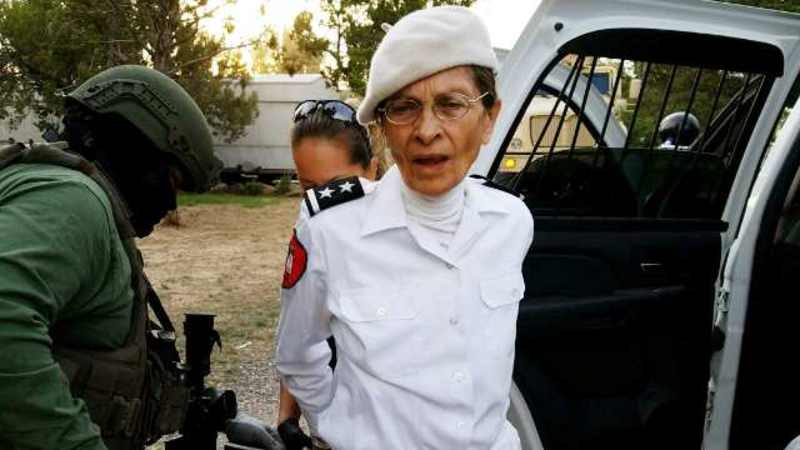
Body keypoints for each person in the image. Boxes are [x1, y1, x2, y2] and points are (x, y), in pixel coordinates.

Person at [275, 6, 534, 450]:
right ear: (381, 129)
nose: (427, 130)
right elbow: (297, 356)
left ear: (490, 118)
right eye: (404, 108)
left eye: (451, 104)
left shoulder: (511, 221)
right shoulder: (331, 230)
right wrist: (340, 427)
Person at [0, 65, 221, 450]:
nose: (170, 204)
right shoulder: (74, 201)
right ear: (132, 147)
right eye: (171, 181)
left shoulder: (73, 197)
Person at [276, 99, 379, 450]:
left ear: (372, 171)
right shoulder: (312, 231)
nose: (322, 201)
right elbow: (297, 334)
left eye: (336, 186)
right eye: (309, 188)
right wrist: (294, 415)